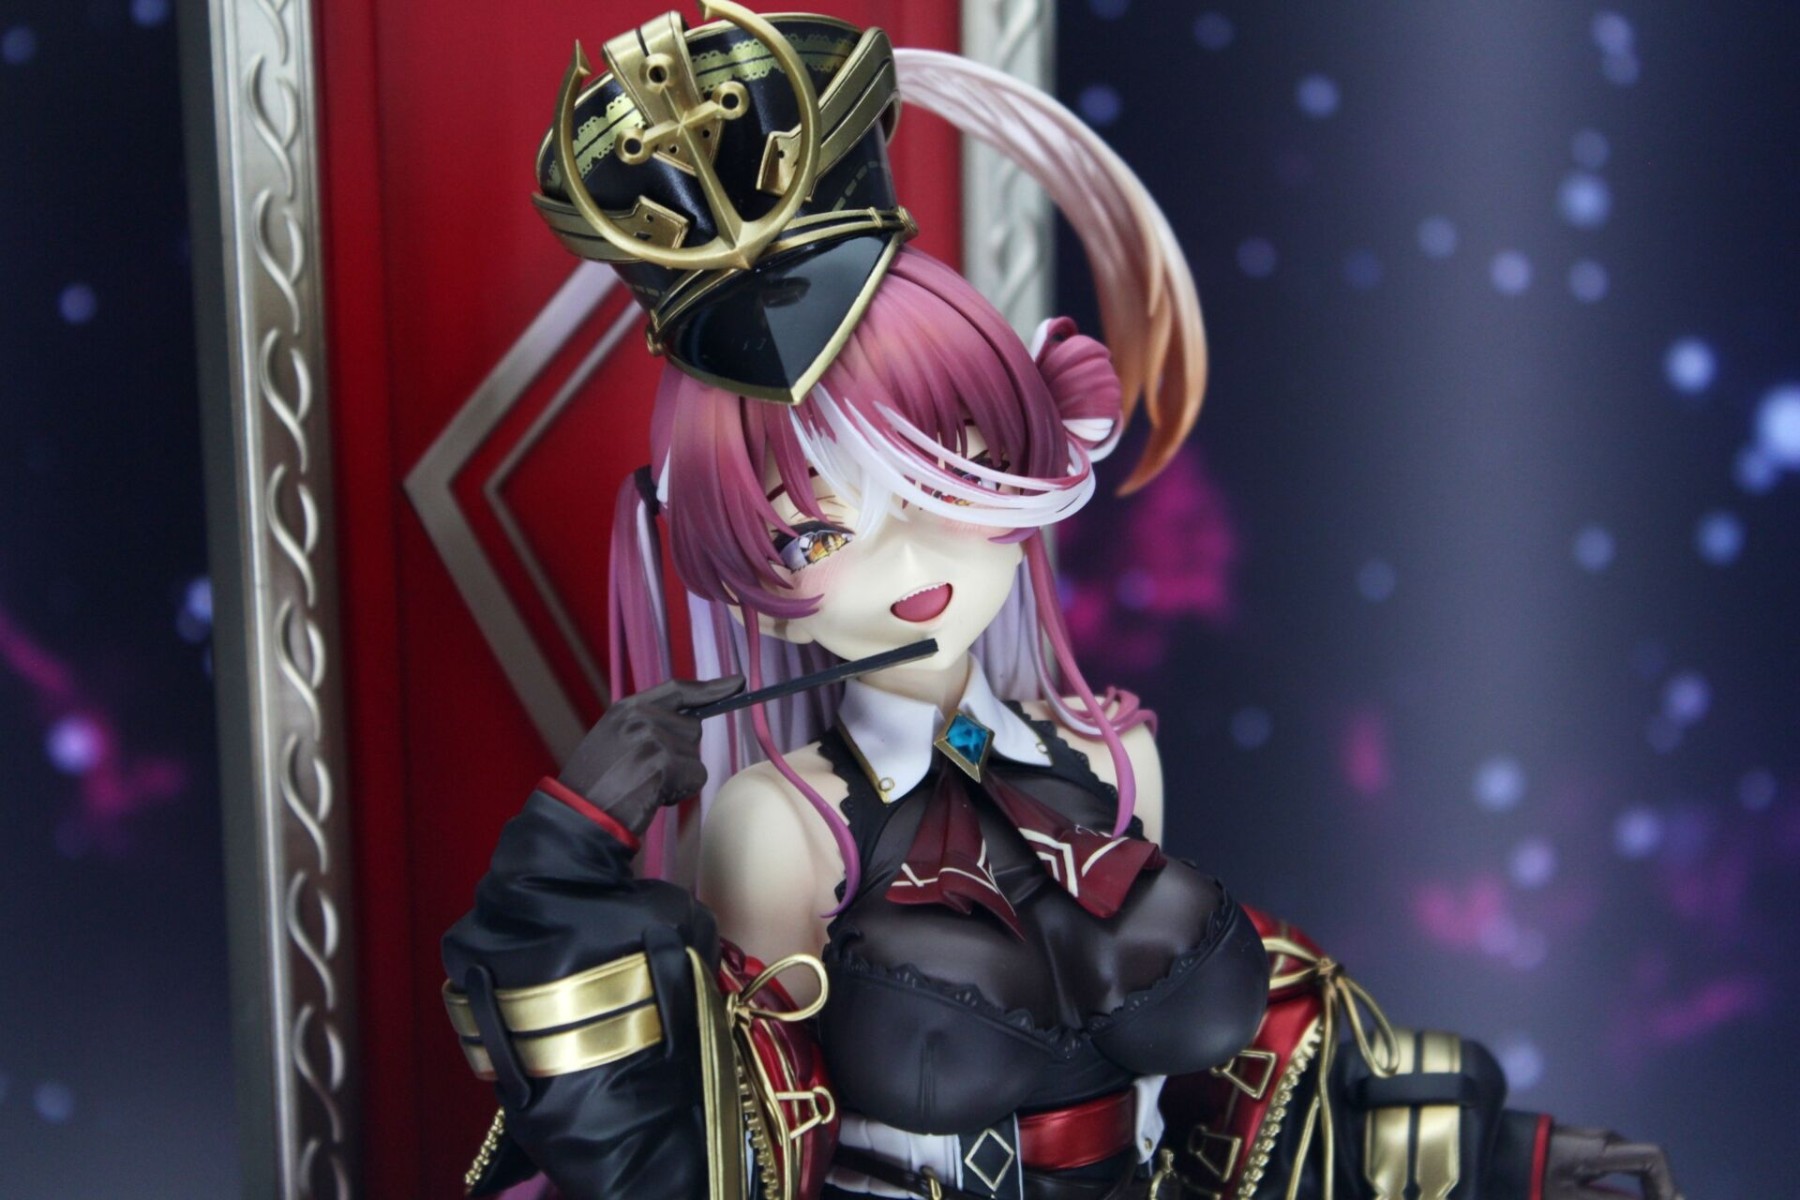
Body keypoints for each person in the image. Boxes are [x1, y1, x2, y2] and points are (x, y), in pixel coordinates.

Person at [443, 6, 1681, 1199]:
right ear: (749, 579)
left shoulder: (1111, 755)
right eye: (815, 529)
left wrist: (1493, 1153)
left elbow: (1255, 1073)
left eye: (948, 471)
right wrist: (561, 862)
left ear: (1033, 454)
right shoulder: (783, 828)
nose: (905, 555)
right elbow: (708, 1159)